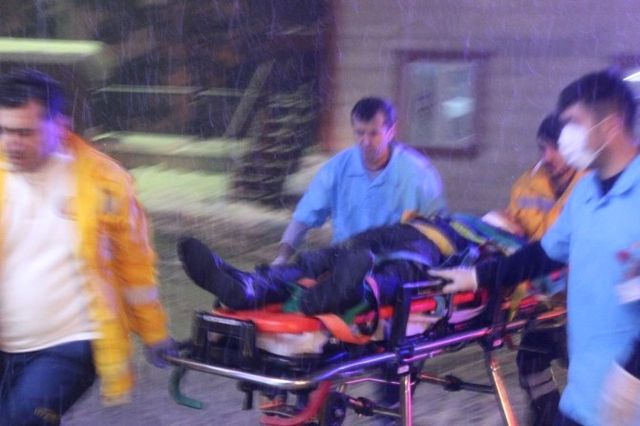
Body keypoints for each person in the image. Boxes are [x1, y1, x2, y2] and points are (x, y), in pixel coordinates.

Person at [433, 70, 640, 426]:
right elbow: (544, 254)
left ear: (609, 126)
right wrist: (477, 277)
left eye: (574, 123)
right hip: (584, 398)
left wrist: (632, 378)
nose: (565, 137)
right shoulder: (586, 193)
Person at [0, 69, 177, 425]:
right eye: (3, 130)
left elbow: (135, 266)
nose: (11, 143)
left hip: (71, 345)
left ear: (60, 125)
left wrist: (154, 332)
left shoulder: (106, 183)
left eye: (25, 132)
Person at [177, 213, 525, 315]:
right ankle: (247, 286)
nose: (512, 214)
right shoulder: (469, 225)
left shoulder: (501, 244)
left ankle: (258, 286)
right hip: (410, 236)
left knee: (390, 271)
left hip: (418, 243)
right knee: (347, 260)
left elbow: (499, 274)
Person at [272, 97, 447, 265]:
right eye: (360, 133)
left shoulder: (418, 174)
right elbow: (304, 216)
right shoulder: (337, 169)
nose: (366, 141)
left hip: (398, 271)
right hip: (346, 265)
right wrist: (282, 257)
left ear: (391, 131)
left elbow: (440, 228)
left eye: (374, 133)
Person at [502, 113, 582, 426]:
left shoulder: (592, 185)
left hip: (582, 304)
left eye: (555, 148)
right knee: (531, 362)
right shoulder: (526, 186)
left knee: (589, 375)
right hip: (541, 303)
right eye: (542, 148)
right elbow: (516, 237)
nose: (547, 156)